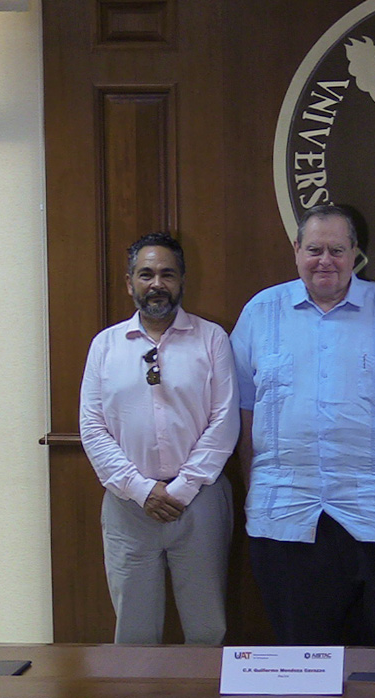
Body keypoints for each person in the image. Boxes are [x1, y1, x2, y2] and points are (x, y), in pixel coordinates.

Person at [230, 204, 375, 647]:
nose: (325, 260)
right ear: (296, 250)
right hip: (287, 514)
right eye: (314, 250)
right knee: (302, 658)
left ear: (355, 253)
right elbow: (244, 410)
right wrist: (254, 486)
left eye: (337, 251)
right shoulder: (260, 313)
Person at [80, 232, 240, 644]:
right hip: (128, 504)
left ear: (182, 280)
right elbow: (92, 428)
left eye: (167, 274)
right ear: (129, 282)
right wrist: (141, 490)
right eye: (146, 274)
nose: (157, 284)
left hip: (199, 500)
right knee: (133, 630)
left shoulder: (212, 339)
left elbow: (224, 422)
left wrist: (182, 489)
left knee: (207, 627)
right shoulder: (105, 346)